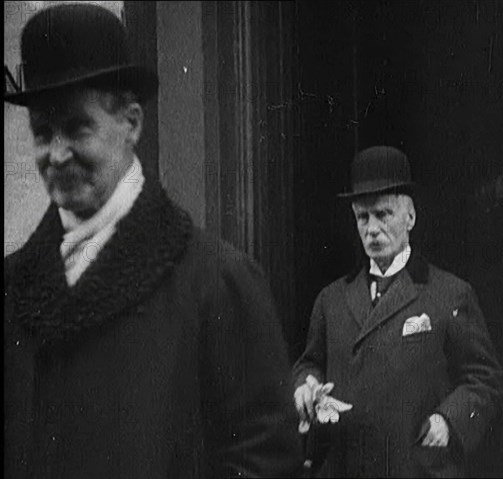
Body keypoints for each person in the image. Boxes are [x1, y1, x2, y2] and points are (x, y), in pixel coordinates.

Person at [3, 4, 302, 478]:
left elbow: (266, 460)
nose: (56, 154)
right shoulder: (12, 287)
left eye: (78, 127)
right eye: (43, 132)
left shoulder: (217, 282)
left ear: (132, 123)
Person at [292, 146, 503, 477]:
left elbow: (484, 379)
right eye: (363, 217)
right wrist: (306, 386)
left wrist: (448, 420)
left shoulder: (448, 294)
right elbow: (310, 363)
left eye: (383, 214)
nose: (372, 229)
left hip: (414, 468)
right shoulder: (331, 300)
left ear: (410, 217)